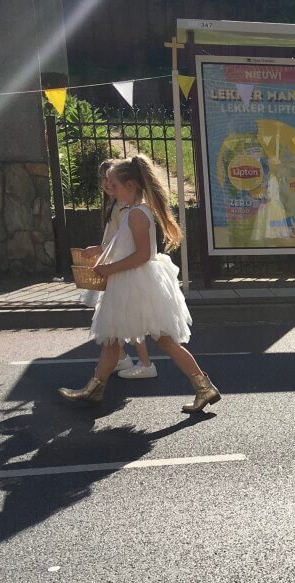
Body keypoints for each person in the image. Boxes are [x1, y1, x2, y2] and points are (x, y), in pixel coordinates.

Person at [58, 155, 221, 413]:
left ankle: (203, 386)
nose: (111, 189)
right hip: (135, 282)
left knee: (163, 341)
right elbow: (125, 247)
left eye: (115, 184)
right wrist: (103, 254)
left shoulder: (136, 214)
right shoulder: (133, 212)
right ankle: (95, 388)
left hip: (136, 283)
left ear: (131, 185)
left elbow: (142, 255)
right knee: (113, 339)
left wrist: (109, 268)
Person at [81, 159, 156, 379]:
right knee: (113, 322)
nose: (107, 185)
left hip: (122, 269)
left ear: (128, 185)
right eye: (104, 180)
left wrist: (106, 258)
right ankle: (115, 364)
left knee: (127, 321)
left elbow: (129, 244)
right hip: (115, 266)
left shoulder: (130, 210)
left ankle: (144, 363)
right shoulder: (118, 205)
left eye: (111, 181)